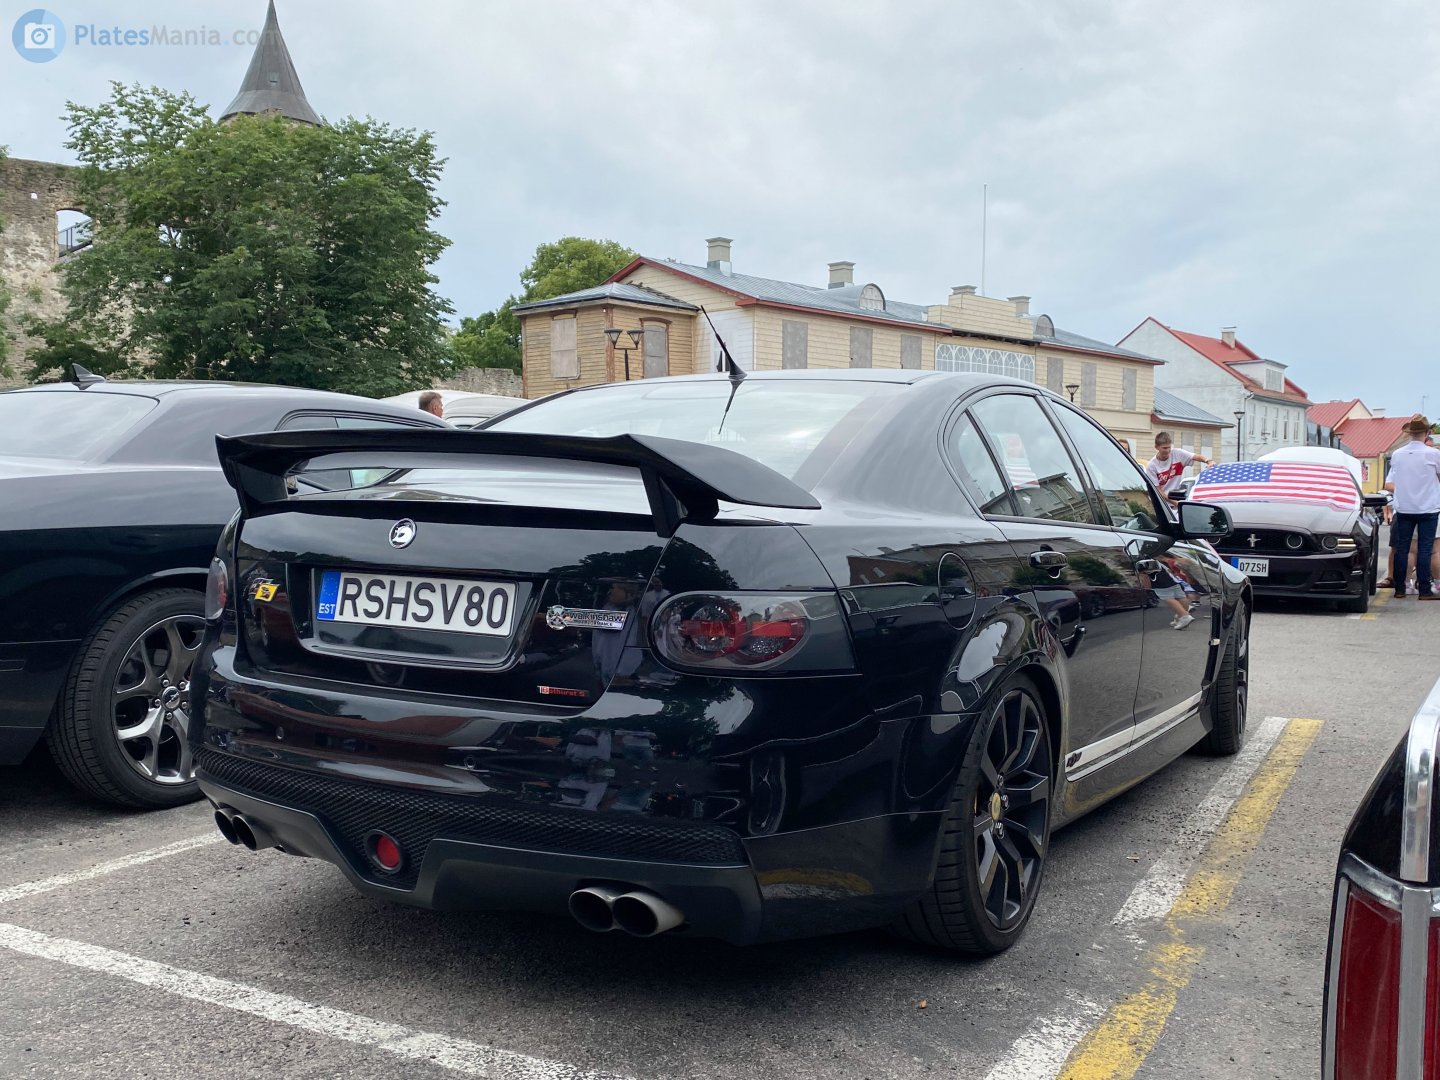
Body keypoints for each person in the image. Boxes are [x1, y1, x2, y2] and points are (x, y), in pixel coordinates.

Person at [1387, 415, 1440, 599]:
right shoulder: (1434, 454)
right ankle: (1425, 590)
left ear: (1410, 434)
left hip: (1404, 507)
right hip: (1428, 507)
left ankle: (1400, 589)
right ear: (1427, 433)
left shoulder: (1397, 454)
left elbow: (1393, 479)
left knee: (1403, 549)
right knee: (1425, 549)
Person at [1145, 432, 1213, 503]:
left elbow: (1195, 456)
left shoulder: (1177, 454)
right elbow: (1157, 490)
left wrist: (1208, 461)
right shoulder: (1152, 466)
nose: (1168, 451)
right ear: (1156, 447)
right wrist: (1174, 502)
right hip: (1162, 504)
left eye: (1169, 447)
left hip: (1177, 499)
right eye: (1164, 448)